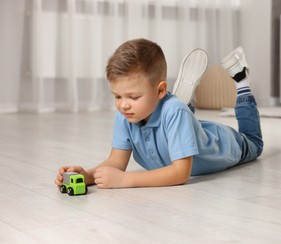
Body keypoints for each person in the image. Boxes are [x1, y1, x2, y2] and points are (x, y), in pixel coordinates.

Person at [55, 38, 263, 189]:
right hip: (180, 122)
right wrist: (87, 176)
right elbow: (116, 162)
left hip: (229, 145)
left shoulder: (173, 112)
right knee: (175, 112)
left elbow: (181, 174)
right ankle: (185, 109)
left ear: (160, 90)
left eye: (133, 97)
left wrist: (125, 180)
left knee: (254, 143)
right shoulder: (125, 115)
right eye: (117, 96)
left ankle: (241, 79)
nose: (123, 105)